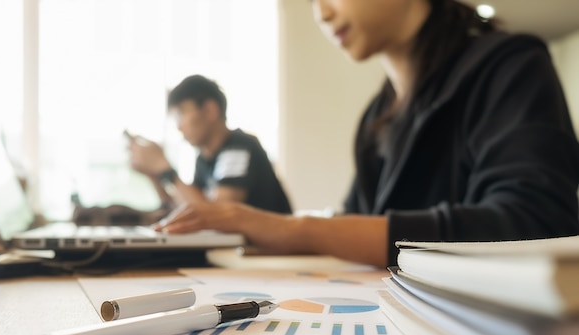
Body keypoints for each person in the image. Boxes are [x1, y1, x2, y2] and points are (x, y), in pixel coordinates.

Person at [158, 0, 579, 267]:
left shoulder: (511, 65)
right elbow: (355, 224)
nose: (322, 13)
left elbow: (534, 225)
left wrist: (298, 228)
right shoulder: (377, 117)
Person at [73, 75, 292, 225]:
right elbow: (187, 209)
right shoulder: (204, 159)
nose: (179, 126)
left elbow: (218, 216)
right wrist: (154, 175)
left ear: (209, 110)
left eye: (181, 114)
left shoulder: (240, 146)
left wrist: (164, 167)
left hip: (271, 255)